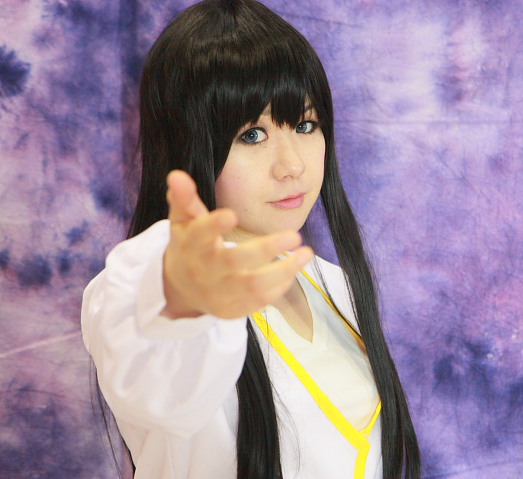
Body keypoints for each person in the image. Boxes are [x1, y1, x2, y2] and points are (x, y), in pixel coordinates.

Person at [80, 0, 421, 478]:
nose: (292, 165)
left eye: (304, 125)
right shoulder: (144, 287)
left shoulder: (332, 284)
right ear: (187, 142)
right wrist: (178, 305)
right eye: (252, 135)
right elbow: (157, 381)